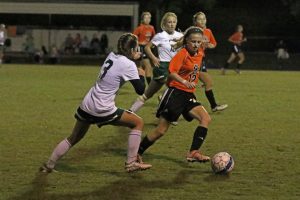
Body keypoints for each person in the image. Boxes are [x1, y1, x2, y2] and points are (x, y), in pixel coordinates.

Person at [39, 33, 152, 173]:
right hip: (102, 108)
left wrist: (134, 61)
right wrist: (140, 72)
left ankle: (48, 165)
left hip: (87, 104)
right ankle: (131, 163)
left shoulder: (111, 55)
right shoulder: (128, 64)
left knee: (74, 137)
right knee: (138, 123)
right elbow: (141, 90)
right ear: (133, 50)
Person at [137, 26, 211, 164]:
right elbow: (171, 72)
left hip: (188, 94)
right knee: (161, 130)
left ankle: (193, 152)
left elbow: (195, 69)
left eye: (198, 42)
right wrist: (184, 81)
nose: (196, 44)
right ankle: (138, 152)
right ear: (186, 42)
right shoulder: (182, 53)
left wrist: (195, 80)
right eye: (193, 41)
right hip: (175, 94)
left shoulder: (200, 53)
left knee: (205, 118)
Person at [129, 12, 183, 114]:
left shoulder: (180, 35)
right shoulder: (160, 35)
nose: (172, 24)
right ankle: (130, 112)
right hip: (163, 67)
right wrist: (153, 58)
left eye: (174, 22)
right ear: (165, 23)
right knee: (147, 95)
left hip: (175, 68)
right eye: (169, 22)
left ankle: (165, 108)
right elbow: (147, 47)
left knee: (177, 91)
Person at [192, 12, 228, 112]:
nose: (202, 21)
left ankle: (213, 106)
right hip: (192, 60)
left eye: (204, 19)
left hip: (201, 60)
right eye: (200, 19)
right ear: (195, 21)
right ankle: (212, 106)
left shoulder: (208, 31)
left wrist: (210, 45)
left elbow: (214, 43)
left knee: (206, 83)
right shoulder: (192, 31)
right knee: (201, 83)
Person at [133, 11, 156, 85]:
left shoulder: (151, 28)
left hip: (147, 48)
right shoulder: (139, 28)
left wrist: (152, 45)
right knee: (148, 66)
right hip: (140, 48)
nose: (147, 19)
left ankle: (141, 84)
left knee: (142, 67)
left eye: (149, 18)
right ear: (142, 19)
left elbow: (154, 38)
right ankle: (150, 86)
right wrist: (137, 46)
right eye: (146, 17)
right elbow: (133, 38)